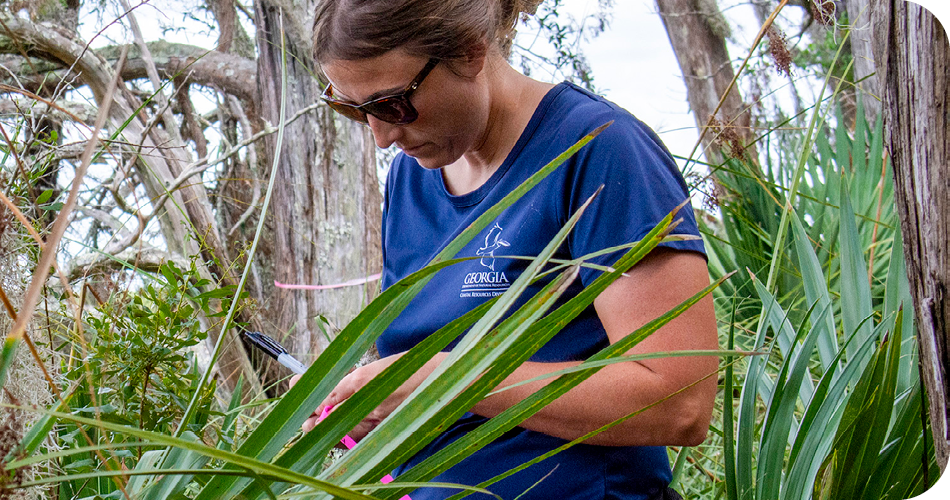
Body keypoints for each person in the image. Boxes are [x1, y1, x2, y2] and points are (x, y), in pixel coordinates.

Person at [298, 0, 720, 499]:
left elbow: (678, 405)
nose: (382, 137)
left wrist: (445, 378)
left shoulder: (598, 150)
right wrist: (377, 403)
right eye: (353, 108)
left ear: (470, 52)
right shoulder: (412, 178)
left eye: (393, 105)